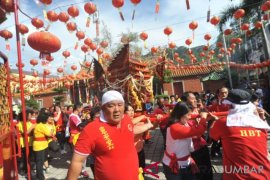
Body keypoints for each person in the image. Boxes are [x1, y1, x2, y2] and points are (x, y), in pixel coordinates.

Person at [67, 90, 140, 180]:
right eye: (111, 106)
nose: (117, 109)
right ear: (103, 107)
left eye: (120, 105)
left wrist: (149, 124)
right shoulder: (91, 130)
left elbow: (131, 131)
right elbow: (77, 162)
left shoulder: (127, 120)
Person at [210, 89, 270, 180]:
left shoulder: (223, 123)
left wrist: (214, 121)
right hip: (264, 174)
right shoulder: (260, 123)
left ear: (230, 105)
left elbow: (212, 135)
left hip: (236, 176)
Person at [162, 102, 211, 180]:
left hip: (185, 163)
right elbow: (199, 131)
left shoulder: (185, 124)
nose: (190, 117)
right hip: (173, 166)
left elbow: (196, 134)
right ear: (181, 114)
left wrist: (204, 120)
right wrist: (203, 118)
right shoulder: (174, 127)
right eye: (188, 115)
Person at [181, 92, 213, 180]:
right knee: (197, 174)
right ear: (185, 101)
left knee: (207, 172)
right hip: (192, 150)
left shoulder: (199, 110)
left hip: (202, 145)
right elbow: (193, 134)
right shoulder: (182, 115)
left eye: (195, 98)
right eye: (192, 98)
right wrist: (202, 121)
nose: (195, 100)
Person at [33, 111, 54, 180]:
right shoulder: (41, 125)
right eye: (47, 118)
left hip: (42, 145)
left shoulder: (40, 125)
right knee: (40, 162)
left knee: (40, 161)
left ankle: (39, 176)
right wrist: (52, 127)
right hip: (40, 145)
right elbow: (49, 134)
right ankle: (40, 177)